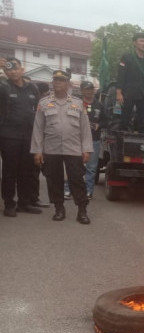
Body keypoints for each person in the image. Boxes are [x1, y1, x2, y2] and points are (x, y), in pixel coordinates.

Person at [31, 70, 93, 224]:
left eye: (61, 80)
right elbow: (38, 128)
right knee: (54, 179)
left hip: (73, 149)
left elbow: (85, 128)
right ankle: (59, 208)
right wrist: (37, 151)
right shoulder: (43, 103)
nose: (57, 82)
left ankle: (82, 211)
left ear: (68, 84)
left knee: (77, 179)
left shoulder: (78, 103)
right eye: (55, 80)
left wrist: (86, 149)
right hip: (51, 149)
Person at [0, 57, 42, 217]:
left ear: (22, 69)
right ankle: (9, 204)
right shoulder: (3, 87)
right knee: (10, 171)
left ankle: (24, 203)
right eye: (8, 69)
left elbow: (39, 110)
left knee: (27, 171)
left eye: (15, 68)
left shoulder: (32, 88)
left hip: (29, 136)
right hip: (9, 136)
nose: (12, 71)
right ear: (5, 72)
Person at [116, 32, 144, 133]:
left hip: (143, 94)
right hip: (128, 93)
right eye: (141, 41)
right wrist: (118, 92)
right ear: (135, 43)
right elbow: (121, 75)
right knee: (125, 119)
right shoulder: (127, 57)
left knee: (143, 120)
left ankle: (141, 141)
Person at [80, 81, 107, 199]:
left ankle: (88, 191)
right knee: (74, 166)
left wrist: (99, 125)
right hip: (77, 140)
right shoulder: (77, 104)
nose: (89, 91)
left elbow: (106, 121)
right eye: (86, 89)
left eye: (91, 89)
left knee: (91, 168)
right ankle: (69, 189)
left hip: (93, 140)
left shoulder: (99, 105)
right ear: (82, 91)